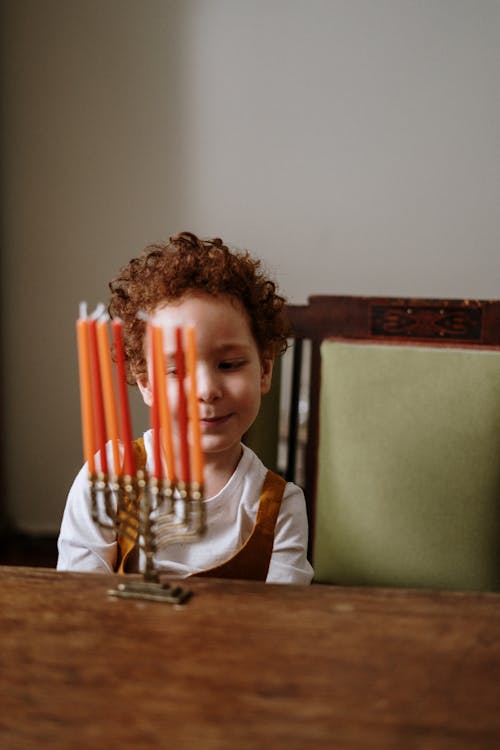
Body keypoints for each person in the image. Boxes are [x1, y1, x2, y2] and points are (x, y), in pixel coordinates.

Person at [57, 232, 313, 584]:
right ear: (146, 382)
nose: (207, 391)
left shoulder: (279, 508)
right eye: (177, 370)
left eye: (229, 364)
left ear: (265, 370)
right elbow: (78, 600)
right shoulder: (110, 480)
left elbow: (283, 624)